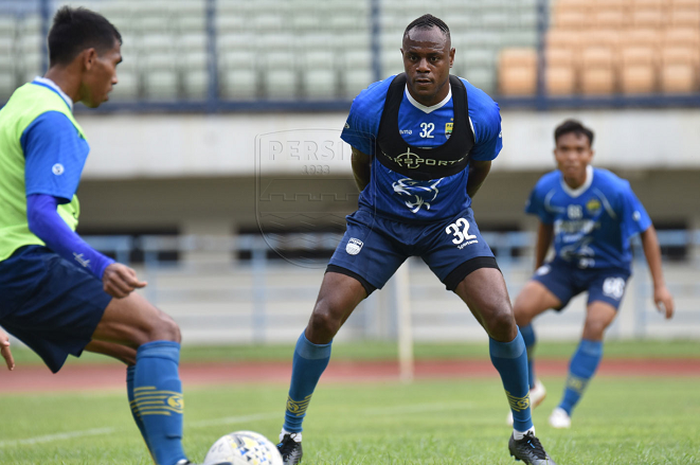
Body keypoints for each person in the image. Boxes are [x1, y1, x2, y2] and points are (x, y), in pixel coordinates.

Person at [275, 14, 556, 465]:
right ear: (403, 57)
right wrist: (379, 210)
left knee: (503, 316)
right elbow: (361, 164)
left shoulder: (480, 112)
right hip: (380, 223)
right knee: (324, 317)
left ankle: (523, 434)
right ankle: (290, 436)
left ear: (451, 58)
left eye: (432, 57)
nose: (422, 66)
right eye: (413, 57)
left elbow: (478, 167)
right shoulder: (371, 105)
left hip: (447, 224)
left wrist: (452, 209)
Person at [0, 7, 220, 465]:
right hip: (25, 265)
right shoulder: (52, 120)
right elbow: (40, 215)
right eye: (115, 63)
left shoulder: (17, 105)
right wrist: (101, 265)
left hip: (7, 276)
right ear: (89, 58)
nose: (116, 78)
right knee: (160, 331)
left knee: (137, 346)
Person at [508, 119, 675, 429]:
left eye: (579, 150)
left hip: (609, 269)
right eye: (565, 149)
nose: (572, 156)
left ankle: (565, 409)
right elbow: (545, 226)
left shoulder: (614, 190)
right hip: (565, 266)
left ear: (590, 154)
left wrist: (660, 286)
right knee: (518, 312)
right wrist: (537, 271)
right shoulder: (546, 188)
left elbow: (647, 232)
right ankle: (532, 386)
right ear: (555, 153)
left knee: (595, 324)